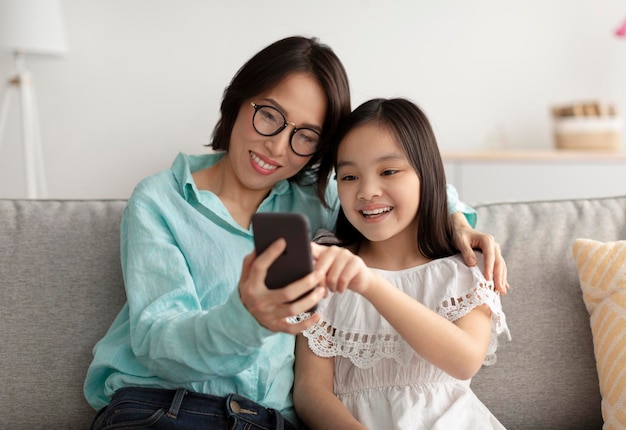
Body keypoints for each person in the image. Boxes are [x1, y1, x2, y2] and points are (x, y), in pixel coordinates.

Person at [84, 36, 507, 430]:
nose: (278, 147)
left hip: (269, 421)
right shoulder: (161, 200)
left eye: (305, 136)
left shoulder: (318, 196)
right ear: (237, 101)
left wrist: (456, 220)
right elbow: (158, 340)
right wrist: (245, 319)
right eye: (269, 115)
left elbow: (399, 184)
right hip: (164, 406)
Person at [294, 98, 512, 429]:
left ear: (426, 174)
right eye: (349, 176)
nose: (367, 191)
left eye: (389, 171)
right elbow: (311, 392)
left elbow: (465, 360)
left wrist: (368, 284)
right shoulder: (323, 264)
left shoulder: (464, 266)